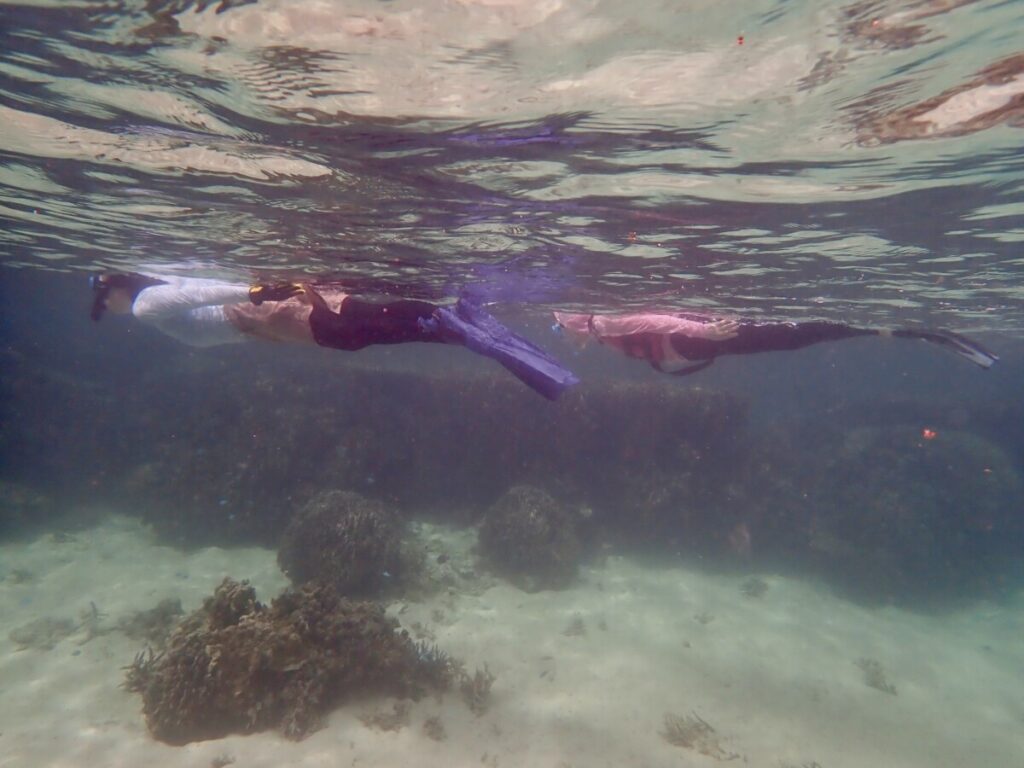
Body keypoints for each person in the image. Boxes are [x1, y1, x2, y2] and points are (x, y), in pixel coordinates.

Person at [89, 272, 579, 400]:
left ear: (115, 287)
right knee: (391, 322)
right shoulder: (154, 293)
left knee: (387, 328)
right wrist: (255, 291)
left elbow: (197, 294)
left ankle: (458, 328)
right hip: (300, 321)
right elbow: (194, 291)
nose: (107, 309)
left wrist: (254, 291)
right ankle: (459, 322)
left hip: (301, 323)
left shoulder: (146, 303)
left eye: (102, 299)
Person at [552, 309, 998, 375]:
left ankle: (885, 329)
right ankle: (880, 329)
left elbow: (652, 319)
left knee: (787, 335)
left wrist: (703, 333)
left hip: (702, 339)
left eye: (559, 329)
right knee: (786, 338)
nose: (563, 336)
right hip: (702, 344)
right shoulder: (597, 331)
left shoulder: (599, 324)